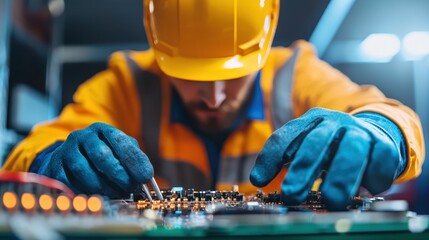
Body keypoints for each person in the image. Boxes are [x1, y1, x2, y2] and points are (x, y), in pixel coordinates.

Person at [2, 0, 425, 210]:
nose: (215, 97)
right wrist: (52, 158)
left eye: (235, 74)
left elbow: (391, 114)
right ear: (156, 45)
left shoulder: (296, 73)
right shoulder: (126, 83)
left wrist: (377, 129)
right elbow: (34, 148)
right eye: (191, 74)